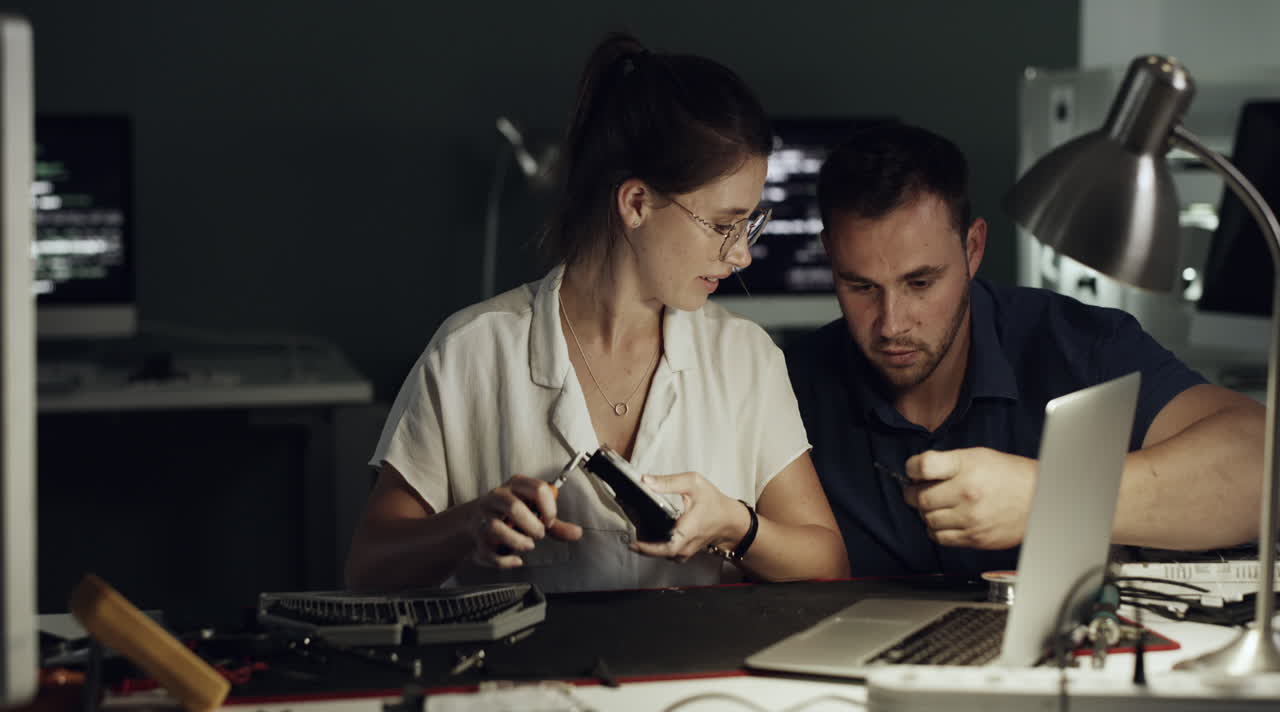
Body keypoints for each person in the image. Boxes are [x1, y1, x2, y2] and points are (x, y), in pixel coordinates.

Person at [345, 33, 849, 593]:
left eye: (750, 223)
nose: (741, 253)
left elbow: (827, 562)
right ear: (636, 204)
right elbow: (368, 568)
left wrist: (738, 525)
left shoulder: (745, 358)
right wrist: (469, 526)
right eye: (723, 223)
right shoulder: (471, 350)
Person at [785, 122, 1265, 577]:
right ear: (830, 257)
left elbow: (1263, 464)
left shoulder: (1076, 344)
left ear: (973, 249)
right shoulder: (787, 386)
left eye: (921, 282)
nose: (891, 323)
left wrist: (1048, 497)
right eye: (861, 287)